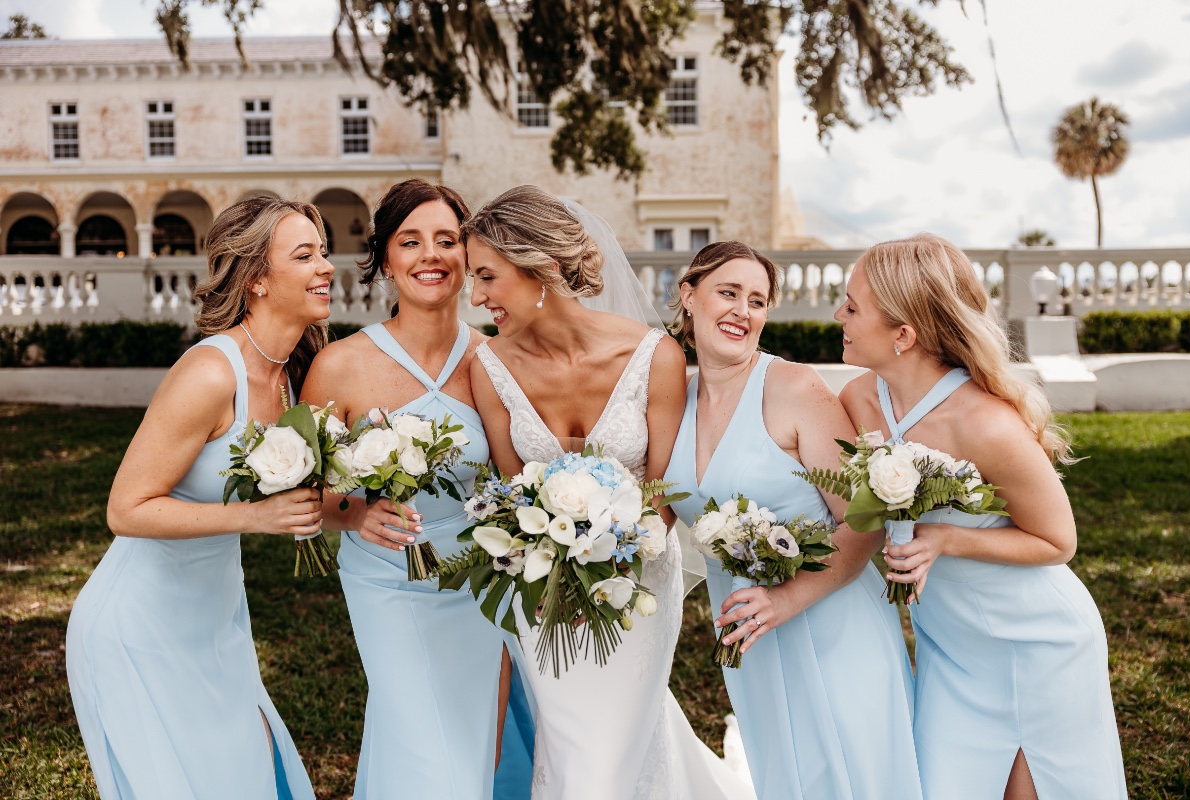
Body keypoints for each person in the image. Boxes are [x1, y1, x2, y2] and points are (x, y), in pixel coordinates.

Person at [465, 185, 752, 799]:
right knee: (572, 744)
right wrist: (551, 571)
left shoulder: (654, 356)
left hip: (641, 578)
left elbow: (666, 488)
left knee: (617, 742)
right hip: (540, 591)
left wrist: (606, 559)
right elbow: (513, 493)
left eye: (486, 276)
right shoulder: (488, 367)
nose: (476, 296)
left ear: (538, 264)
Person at [836, 233, 1127, 800]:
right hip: (949, 646)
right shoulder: (858, 401)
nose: (838, 315)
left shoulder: (984, 422)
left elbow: (1058, 540)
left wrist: (945, 538)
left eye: (852, 306)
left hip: (1038, 641)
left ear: (903, 334)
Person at [66, 196, 331, 799]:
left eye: (321, 251)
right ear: (258, 279)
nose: (326, 266)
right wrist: (256, 516)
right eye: (305, 255)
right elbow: (125, 509)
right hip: (138, 629)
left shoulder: (295, 372)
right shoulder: (211, 373)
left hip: (217, 623)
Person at [663, 241, 923, 799]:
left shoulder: (794, 388)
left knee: (854, 774)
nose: (743, 311)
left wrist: (785, 599)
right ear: (689, 295)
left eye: (757, 301)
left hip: (832, 621)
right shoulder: (674, 402)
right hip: (745, 632)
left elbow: (866, 521)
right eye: (727, 293)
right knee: (786, 774)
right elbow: (658, 509)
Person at [300, 179, 533, 800]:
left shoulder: (496, 362)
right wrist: (352, 516)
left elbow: (517, 484)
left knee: (472, 748)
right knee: (424, 750)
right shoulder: (340, 366)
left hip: (480, 587)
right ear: (385, 259)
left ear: (469, 256)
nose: (430, 255)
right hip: (386, 586)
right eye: (411, 241)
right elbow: (302, 496)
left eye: (447, 240)